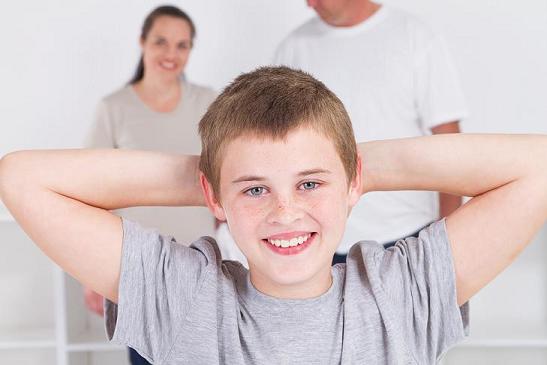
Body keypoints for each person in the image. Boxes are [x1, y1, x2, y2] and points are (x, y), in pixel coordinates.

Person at [1, 67, 546, 364]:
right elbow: (21, 178)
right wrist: (212, 177)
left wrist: (361, 166)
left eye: (310, 183)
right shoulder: (186, 295)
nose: (286, 210)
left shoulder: (400, 292)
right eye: (256, 189)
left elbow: (538, 166)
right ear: (214, 198)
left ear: (352, 181)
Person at [274, 0, 468, 262]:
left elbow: (448, 141)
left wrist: (449, 237)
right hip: (320, 240)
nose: (309, 4)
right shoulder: (294, 47)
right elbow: (280, 145)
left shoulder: (413, 35)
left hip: (407, 235)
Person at [83, 5, 216, 365]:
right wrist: (90, 276)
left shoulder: (208, 103)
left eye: (182, 45)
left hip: (200, 265)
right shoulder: (114, 108)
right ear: (142, 43)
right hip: (135, 270)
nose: (171, 54)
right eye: (161, 42)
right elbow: (90, 193)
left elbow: (228, 173)